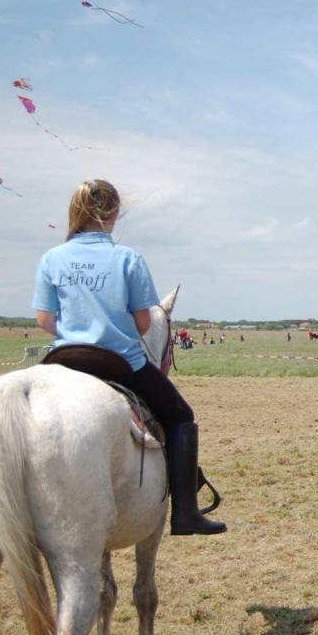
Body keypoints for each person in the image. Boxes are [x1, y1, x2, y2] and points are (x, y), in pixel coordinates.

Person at [32, 179, 226, 536]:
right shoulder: (128, 258)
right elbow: (142, 321)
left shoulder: (52, 258)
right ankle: (186, 513)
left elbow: (44, 319)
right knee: (181, 416)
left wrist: (77, 327)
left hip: (62, 359)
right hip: (119, 361)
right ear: (114, 214)